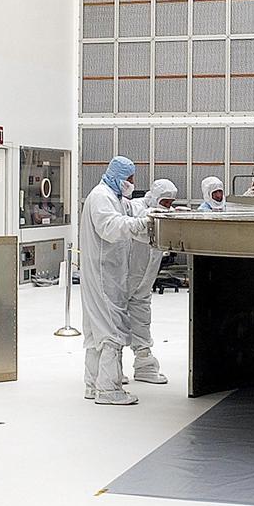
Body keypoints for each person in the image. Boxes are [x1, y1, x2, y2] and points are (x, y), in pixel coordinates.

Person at [81, 156, 152, 405]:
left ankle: (93, 384)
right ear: (118, 176)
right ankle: (109, 389)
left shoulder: (114, 197)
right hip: (104, 275)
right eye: (130, 179)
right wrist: (141, 224)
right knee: (112, 329)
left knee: (96, 332)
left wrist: (151, 208)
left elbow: (130, 210)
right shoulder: (101, 196)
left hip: (105, 273)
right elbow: (110, 226)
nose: (132, 184)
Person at [122, 179, 179, 385]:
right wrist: (162, 214)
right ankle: (113, 367)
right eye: (164, 201)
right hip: (126, 275)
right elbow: (137, 224)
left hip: (146, 278)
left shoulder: (166, 210)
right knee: (118, 319)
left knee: (143, 317)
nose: (167, 206)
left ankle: (144, 363)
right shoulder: (136, 206)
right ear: (155, 196)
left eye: (169, 202)